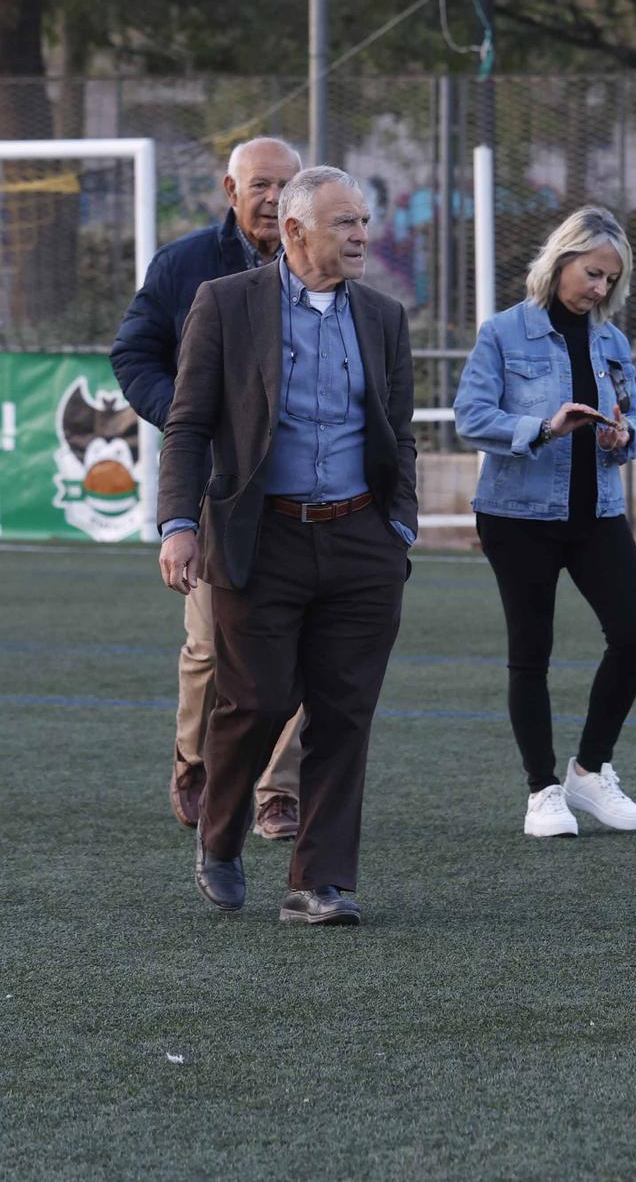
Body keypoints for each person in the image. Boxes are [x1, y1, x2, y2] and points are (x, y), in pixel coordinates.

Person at [156, 165, 417, 927]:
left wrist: (397, 526)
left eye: (364, 220)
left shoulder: (383, 315)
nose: (363, 235)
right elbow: (188, 424)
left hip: (363, 540)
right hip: (259, 538)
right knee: (257, 700)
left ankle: (318, 881)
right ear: (296, 232)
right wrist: (178, 525)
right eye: (345, 223)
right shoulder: (225, 303)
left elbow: (398, 433)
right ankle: (221, 834)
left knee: (343, 710)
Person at [112, 137, 308, 840]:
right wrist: (191, 414)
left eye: (287, 184)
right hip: (216, 489)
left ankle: (276, 790)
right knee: (208, 646)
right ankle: (193, 757)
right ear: (230, 189)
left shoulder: (317, 267)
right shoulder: (185, 265)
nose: (273, 197)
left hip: (302, 492)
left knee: (306, 647)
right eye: (260, 184)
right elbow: (132, 354)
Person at [453, 207, 636, 838]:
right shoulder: (504, 333)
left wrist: (624, 435)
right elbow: (470, 416)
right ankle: (542, 792)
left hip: (597, 512)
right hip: (517, 517)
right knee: (530, 653)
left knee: (634, 634)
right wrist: (542, 428)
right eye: (592, 273)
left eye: (611, 280)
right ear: (561, 259)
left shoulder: (612, 341)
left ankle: (590, 772)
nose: (599, 288)